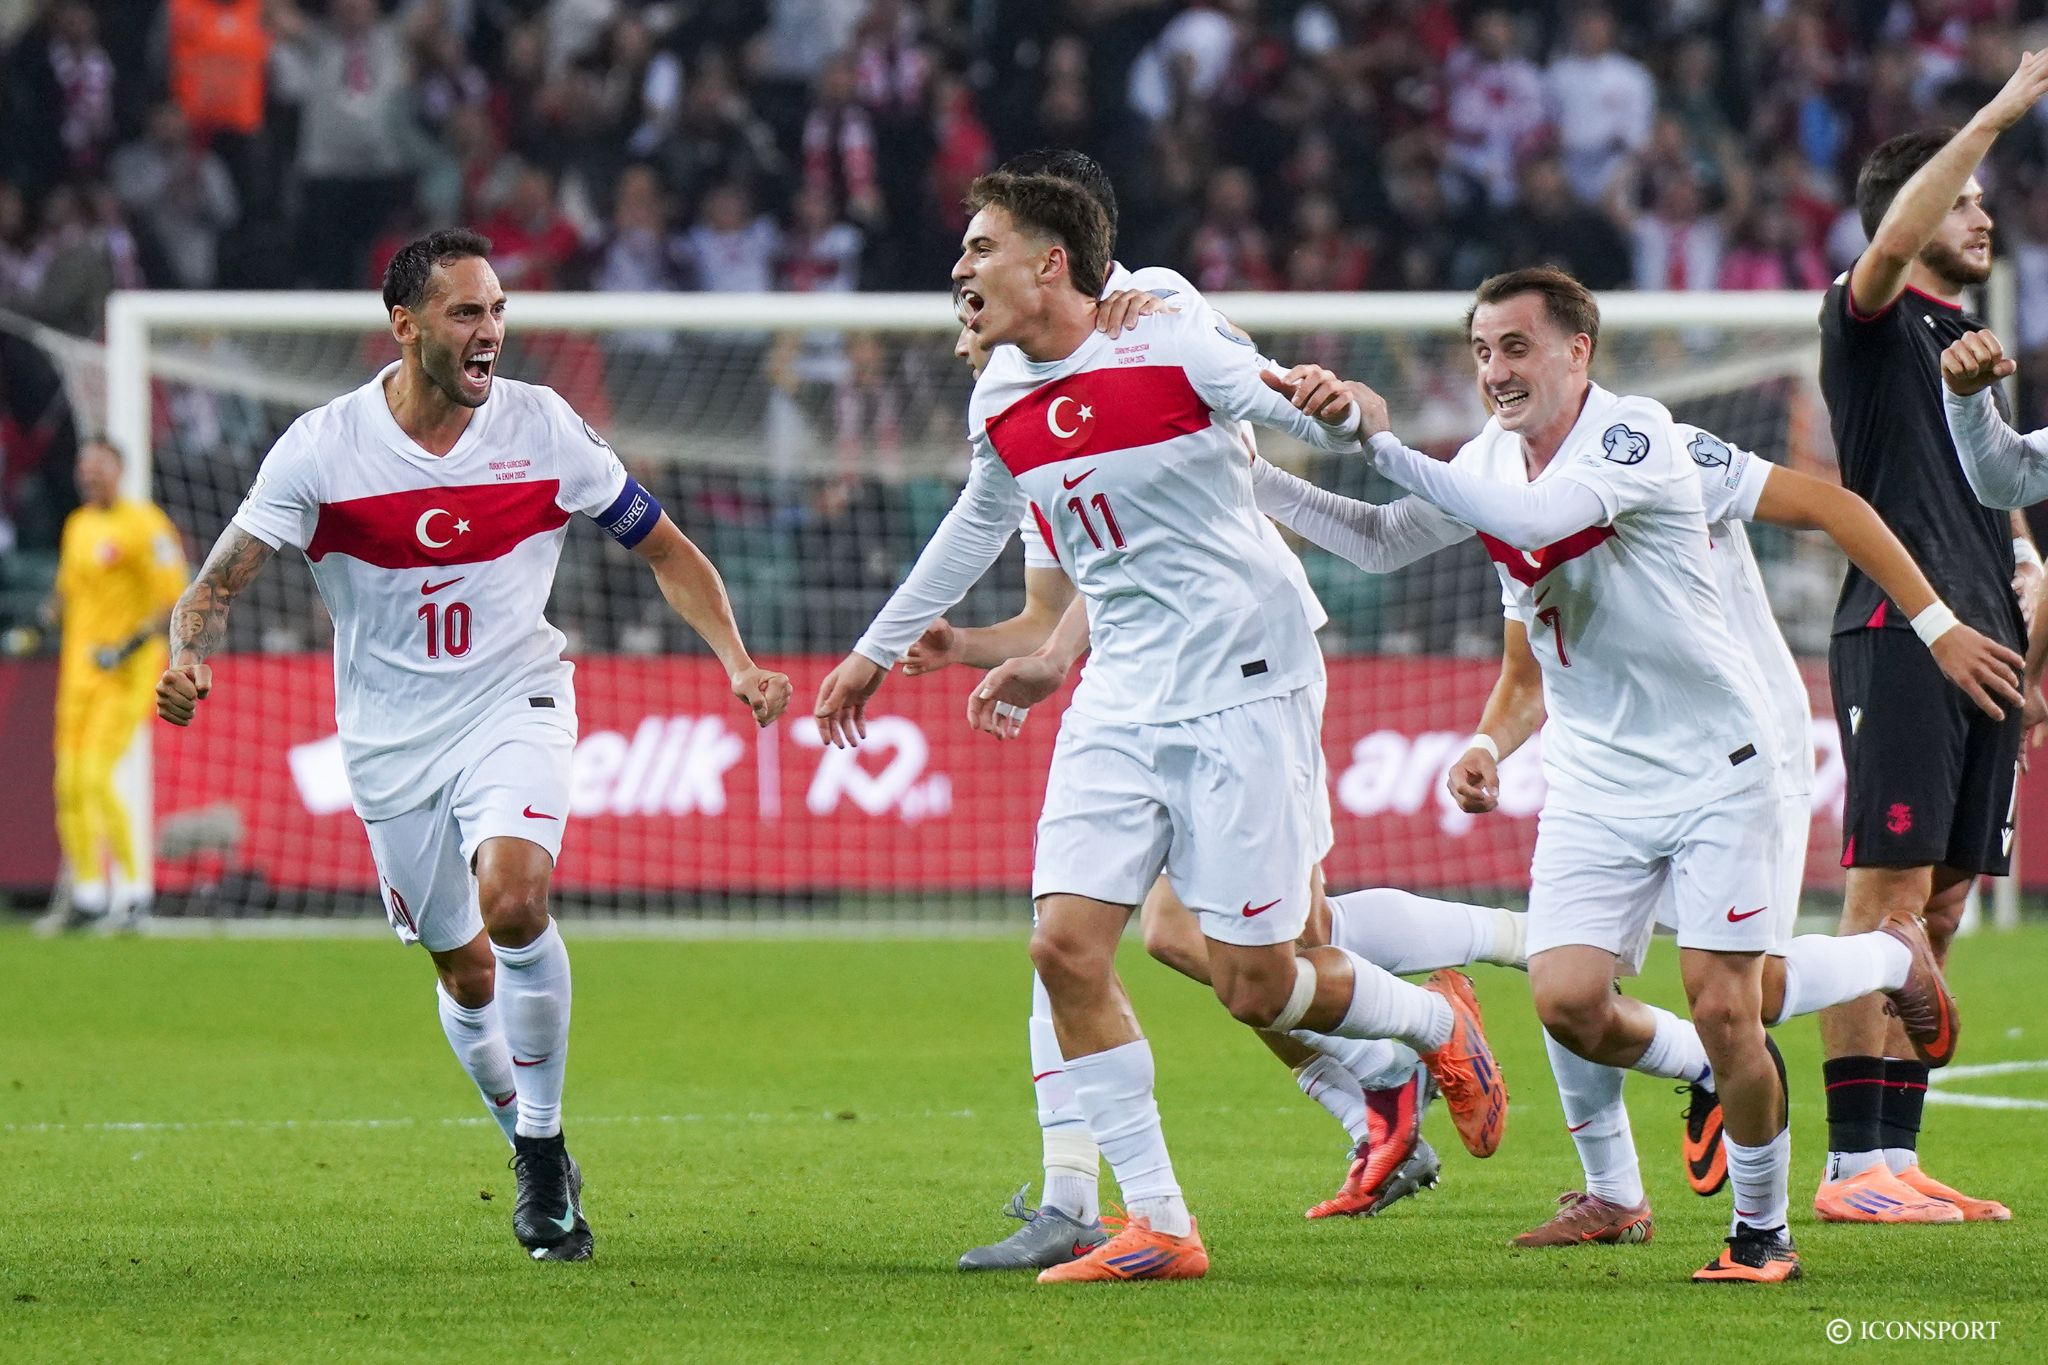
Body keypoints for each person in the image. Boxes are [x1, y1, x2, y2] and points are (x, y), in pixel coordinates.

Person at [814, 171, 1508, 1284]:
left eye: (981, 247)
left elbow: (1328, 418)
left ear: (1051, 262)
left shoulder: (1171, 332)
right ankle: (1157, 1221)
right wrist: (871, 652)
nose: (959, 268)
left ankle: (1431, 1027)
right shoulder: (999, 396)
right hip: (1122, 692)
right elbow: (974, 525)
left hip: (1244, 678)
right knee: (1062, 946)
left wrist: (1346, 406)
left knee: (1255, 977)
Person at [1267, 266, 1999, 1283]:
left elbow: (1536, 524)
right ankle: (1625, 1175)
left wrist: (1380, 442)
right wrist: (1240, 473)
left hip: (1717, 763)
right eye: (1480, 351)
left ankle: (1763, 1228)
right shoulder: (1488, 462)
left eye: (1515, 347)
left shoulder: (1638, 438)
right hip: (1594, 778)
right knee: (1568, 996)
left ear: (1578, 350)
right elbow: (1387, 542)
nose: (1494, 371)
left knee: (1734, 1001)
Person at [154, 228, 792, 1262]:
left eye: (497, 310)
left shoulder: (544, 427)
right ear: (405, 327)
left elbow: (667, 548)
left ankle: (540, 1152)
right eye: (466, 312)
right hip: (389, 741)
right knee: (465, 973)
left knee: (515, 901)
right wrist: (186, 657)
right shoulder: (322, 448)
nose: (490, 330)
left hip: (515, 699)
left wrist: (737, 661)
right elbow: (215, 583)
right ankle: (528, 1138)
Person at [1810, 51, 2048, 1226]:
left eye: (1983, 204)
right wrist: (1994, 114)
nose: (1980, 216)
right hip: (1901, 633)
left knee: (1942, 909)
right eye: (1961, 202)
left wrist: (2026, 597)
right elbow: (1897, 236)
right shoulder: (1865, 319)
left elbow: (1990, 494)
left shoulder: (1966, 350)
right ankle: (1845, 1169)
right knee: (1886, 897)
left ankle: (1893, 1159)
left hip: (1988, 649)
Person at [35, 439, 187, 934]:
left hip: (124, 674)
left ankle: (135, 893)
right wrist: (38, 624)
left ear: (120, 470)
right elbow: (65, 592)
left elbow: (171, 598)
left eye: (99, 465)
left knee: (96, 778)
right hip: (77, 676)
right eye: (83, 466)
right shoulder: (77, 526)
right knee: (69, 783)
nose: (89, 474)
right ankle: (87, 895)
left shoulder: (147, 525)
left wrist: (127, 646)